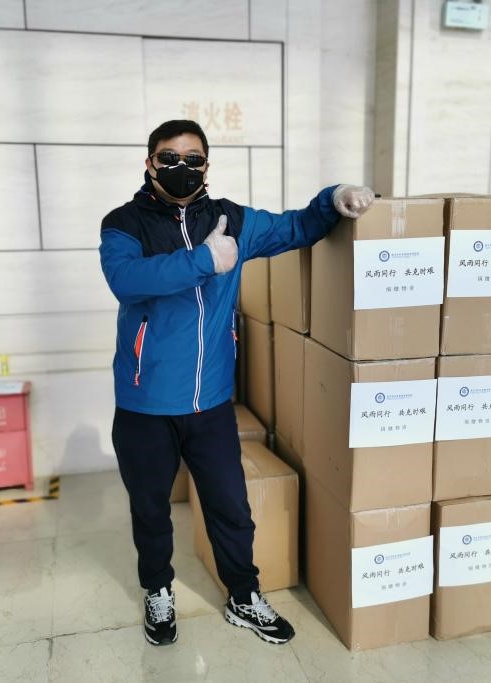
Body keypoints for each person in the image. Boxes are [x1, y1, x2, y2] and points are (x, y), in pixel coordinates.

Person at [99, 119, 374, 647]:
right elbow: (126, 280)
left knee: (230, 507)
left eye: (193, 159)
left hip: (210, 402)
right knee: (150, 509)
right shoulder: (124, 223)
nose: (181, 167)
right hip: (144, 401)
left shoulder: (232, 221)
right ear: (149, 163)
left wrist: (333, 198)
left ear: (207, 165)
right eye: (169, 158)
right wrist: (204, 259)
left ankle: (243, 596)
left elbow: (295, 228)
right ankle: (158, 590)